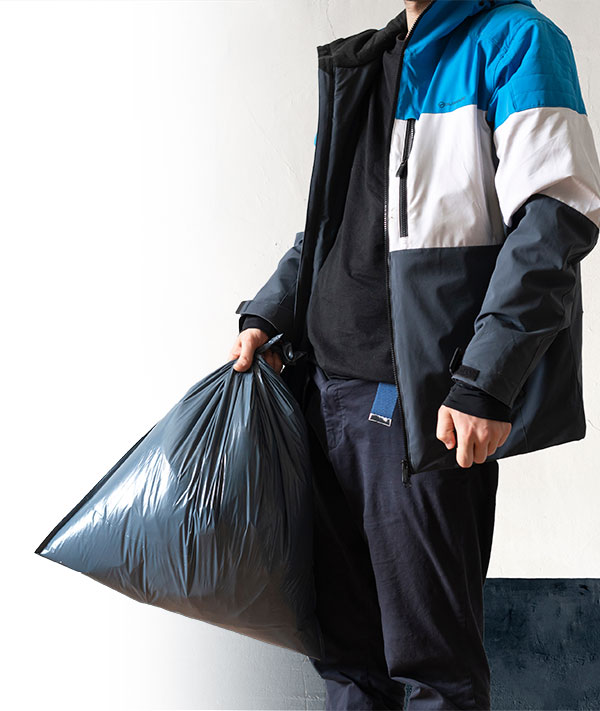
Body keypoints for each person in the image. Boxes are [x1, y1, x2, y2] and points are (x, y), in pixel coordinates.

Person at [228, 0, 600, 708]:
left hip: (415, 410)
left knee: (432, 669)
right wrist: (269, 312)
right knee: (346, 659)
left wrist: (486, 381)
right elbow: (325, 228)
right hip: (323, 396)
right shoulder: (366, 61)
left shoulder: (518, 41)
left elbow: (558, 213)